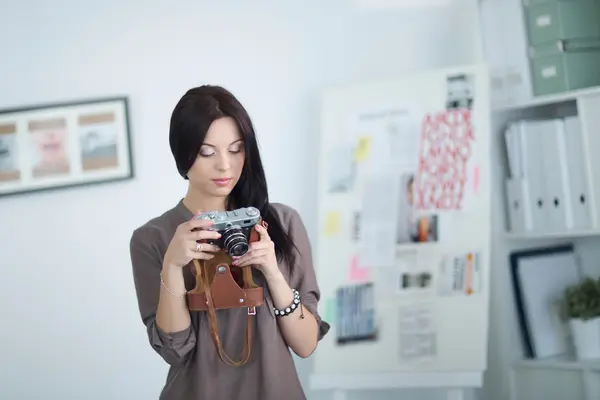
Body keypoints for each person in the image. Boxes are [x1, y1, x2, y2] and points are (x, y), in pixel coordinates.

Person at [129, 85, 330, 400]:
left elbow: (306, 344)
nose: (225, 165)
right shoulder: (153, 238)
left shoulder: (281, 223)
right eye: (207, 152)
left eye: (236, 149)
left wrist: (272, 272)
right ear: (182, 154)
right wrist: (172, 266)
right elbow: (175, 351)